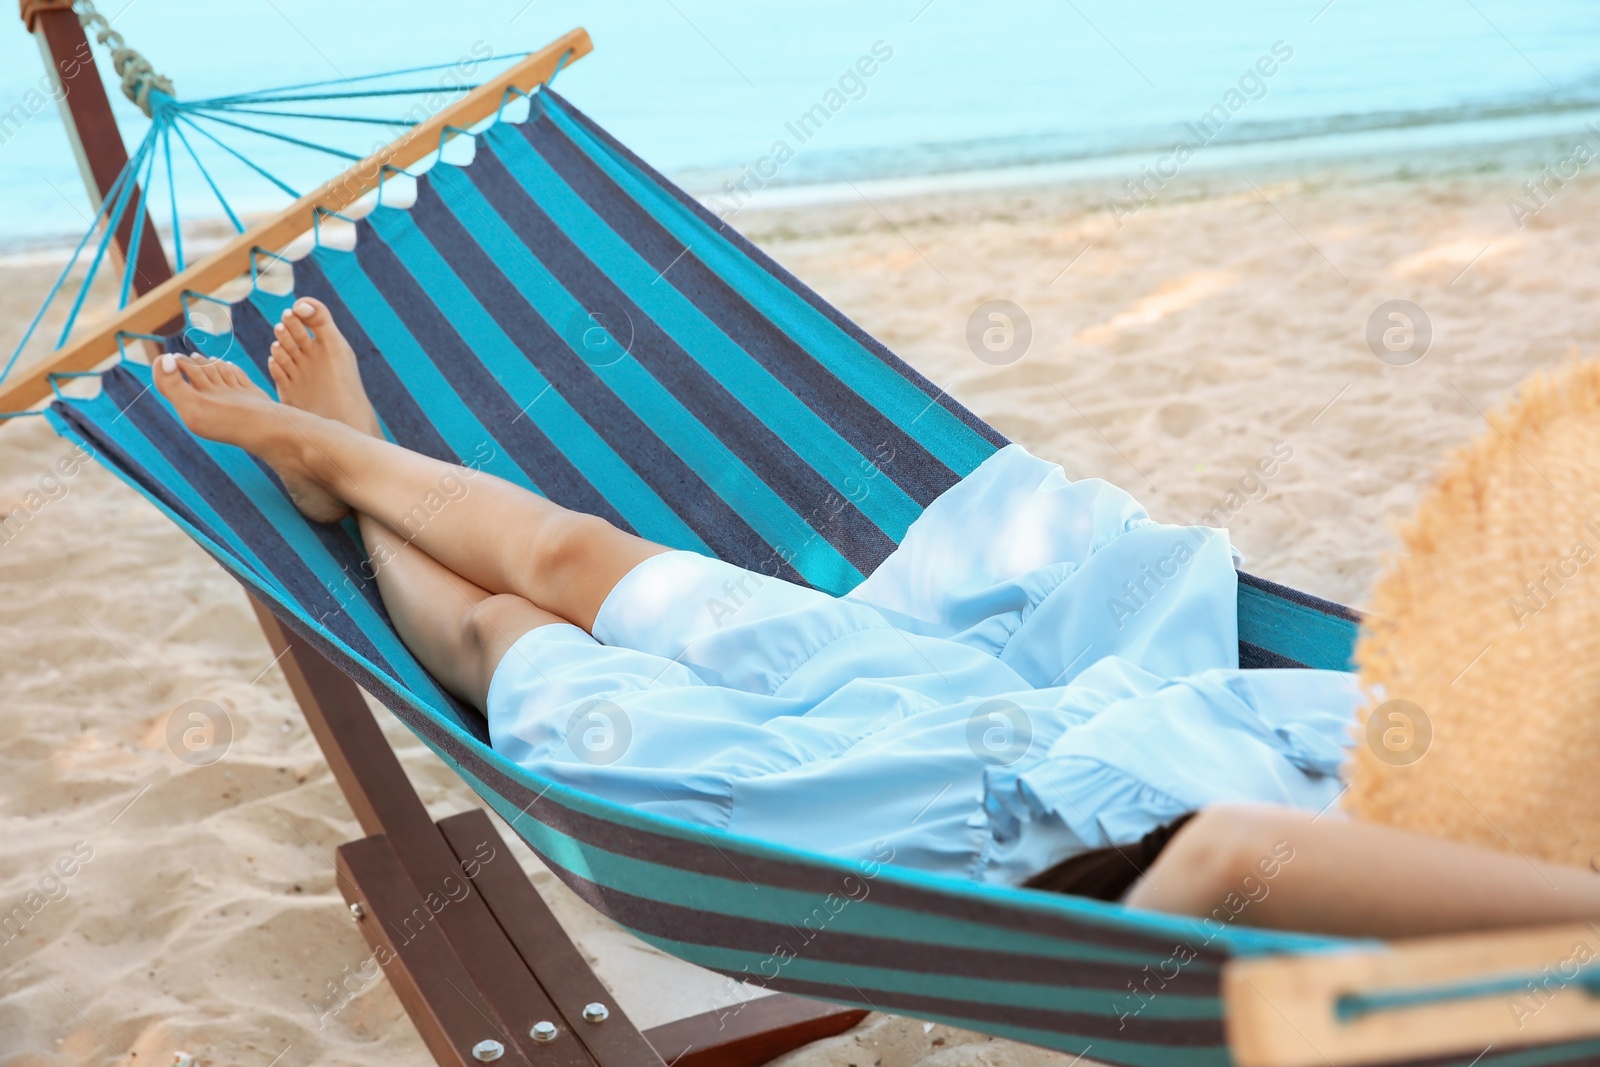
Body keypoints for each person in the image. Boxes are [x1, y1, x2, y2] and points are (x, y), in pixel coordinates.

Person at [149, 298, 1600, 940]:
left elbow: (1222, 856)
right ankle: (351, 455)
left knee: (506, 646)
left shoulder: (1414, 925)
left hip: (855, 811)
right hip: (970, 693)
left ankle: (338, 467)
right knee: (583, 550)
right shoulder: (1473, 794)